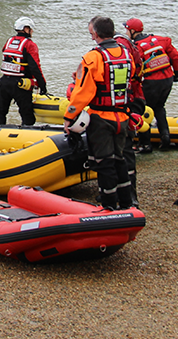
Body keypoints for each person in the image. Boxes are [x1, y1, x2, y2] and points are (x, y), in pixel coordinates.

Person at [63, 16, 135, 210]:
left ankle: (109, 205)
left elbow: (83, 92)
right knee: (119, 160)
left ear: (95, 33)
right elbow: (130, 79)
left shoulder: (94, 57)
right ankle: (126, 202)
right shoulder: (126, 53)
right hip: (122, 117)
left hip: (102, 118)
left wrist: (69, 117)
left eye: (91, 33)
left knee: (104, 163)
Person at [123, 17, 178, 152]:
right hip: (167, 80)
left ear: (132, 31)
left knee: (143, 110)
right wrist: (177, 74)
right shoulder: (161, 40)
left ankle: (145, 144)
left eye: (127, 30)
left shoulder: (135, 47)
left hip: (151, 83)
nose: (126, 33)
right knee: (159, 107)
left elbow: (134, 67)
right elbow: (175, 56)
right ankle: (165, 138)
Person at [0, 17, 47, 127]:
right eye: (31, 29)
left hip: (4, 82)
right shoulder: (29, 45)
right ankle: (26, 136)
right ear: (26, 29)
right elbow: (35, 67)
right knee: (27, 115)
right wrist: (42, 85)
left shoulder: (9, 41)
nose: (32, 32)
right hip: (21, 85)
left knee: (0, 111)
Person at [114, 25, 145, 206]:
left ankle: (125, 197)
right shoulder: (133, 48)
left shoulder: (117, 50)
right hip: (135, 100)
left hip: (125, 104)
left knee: (121, 150)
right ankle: (130, 195)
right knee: (127, 150)